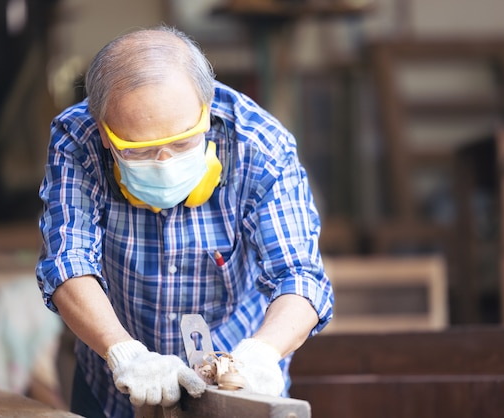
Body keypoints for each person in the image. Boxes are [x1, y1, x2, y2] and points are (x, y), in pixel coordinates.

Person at [36, 25, 333, 418]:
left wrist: (261, 355)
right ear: (105, 132)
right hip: (114, 389)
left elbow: (300, 276)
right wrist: (124, 353)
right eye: (140, 151)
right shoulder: (78, 141)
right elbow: (67, 262)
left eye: (182, 143)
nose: (164, 162)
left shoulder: (260, 146)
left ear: (206, 112)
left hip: (239, 390)